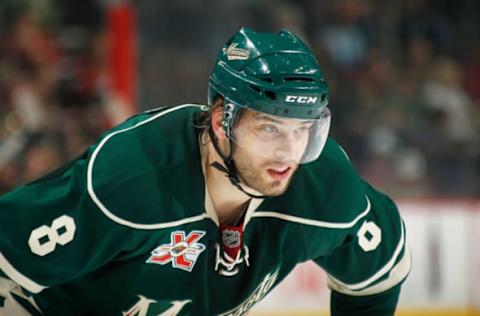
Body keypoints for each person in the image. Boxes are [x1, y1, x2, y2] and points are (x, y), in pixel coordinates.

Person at [0, 27, 410, 316]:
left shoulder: (325, 188)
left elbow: (380, 272)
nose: (289, 150)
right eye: (270, 127)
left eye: (303, 129)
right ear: (220, 121)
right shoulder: (133, 176)